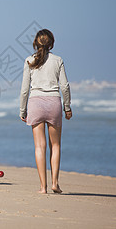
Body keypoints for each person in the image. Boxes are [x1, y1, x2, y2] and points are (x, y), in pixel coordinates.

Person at [19, 29, 72, 194]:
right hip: (53, 103)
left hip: (35, 103)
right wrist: (67, 107)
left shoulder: (29, 60)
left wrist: (22, 110)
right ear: (52, 43)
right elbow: (64, 86)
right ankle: (55, 183)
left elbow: (24, 90)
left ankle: (43, 187)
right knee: (55, 145)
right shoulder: (58, 60)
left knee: (39, 147)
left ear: (35, 42)